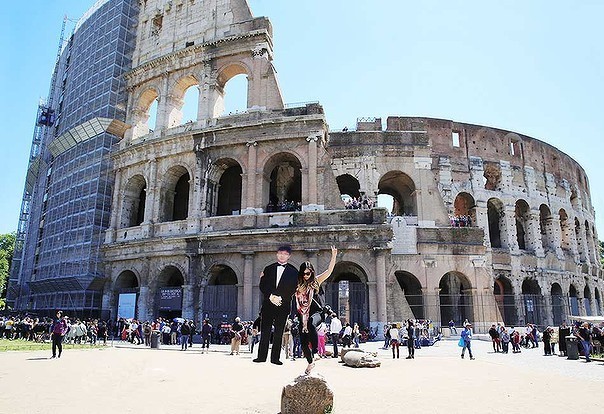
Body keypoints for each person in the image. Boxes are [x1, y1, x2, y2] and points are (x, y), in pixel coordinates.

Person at [294, 246, 337, 374]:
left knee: (312, 324)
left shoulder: (316, 281)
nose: (306, 276)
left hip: (317, 313)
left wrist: (333, 256)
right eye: (303, 274)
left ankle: (316, 352)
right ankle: (310, 362)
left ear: (312, 272)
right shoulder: (297, 286)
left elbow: (329, 272)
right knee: (303, 343)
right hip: (303, 315)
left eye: (308, 273)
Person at [254, 244, 299, 365]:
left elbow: (293, 289)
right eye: (280, 253)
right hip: (268, 304)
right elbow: (263, 285)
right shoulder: (268, 268)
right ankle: (261, 357)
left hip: (283, 305)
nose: (282, 256)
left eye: (285, 254)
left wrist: (280, 298)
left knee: (279, 332)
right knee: (265, 331)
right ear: (276, 254)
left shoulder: (294, 271)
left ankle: (275, 358)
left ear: (289, 256)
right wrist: (271, 296)